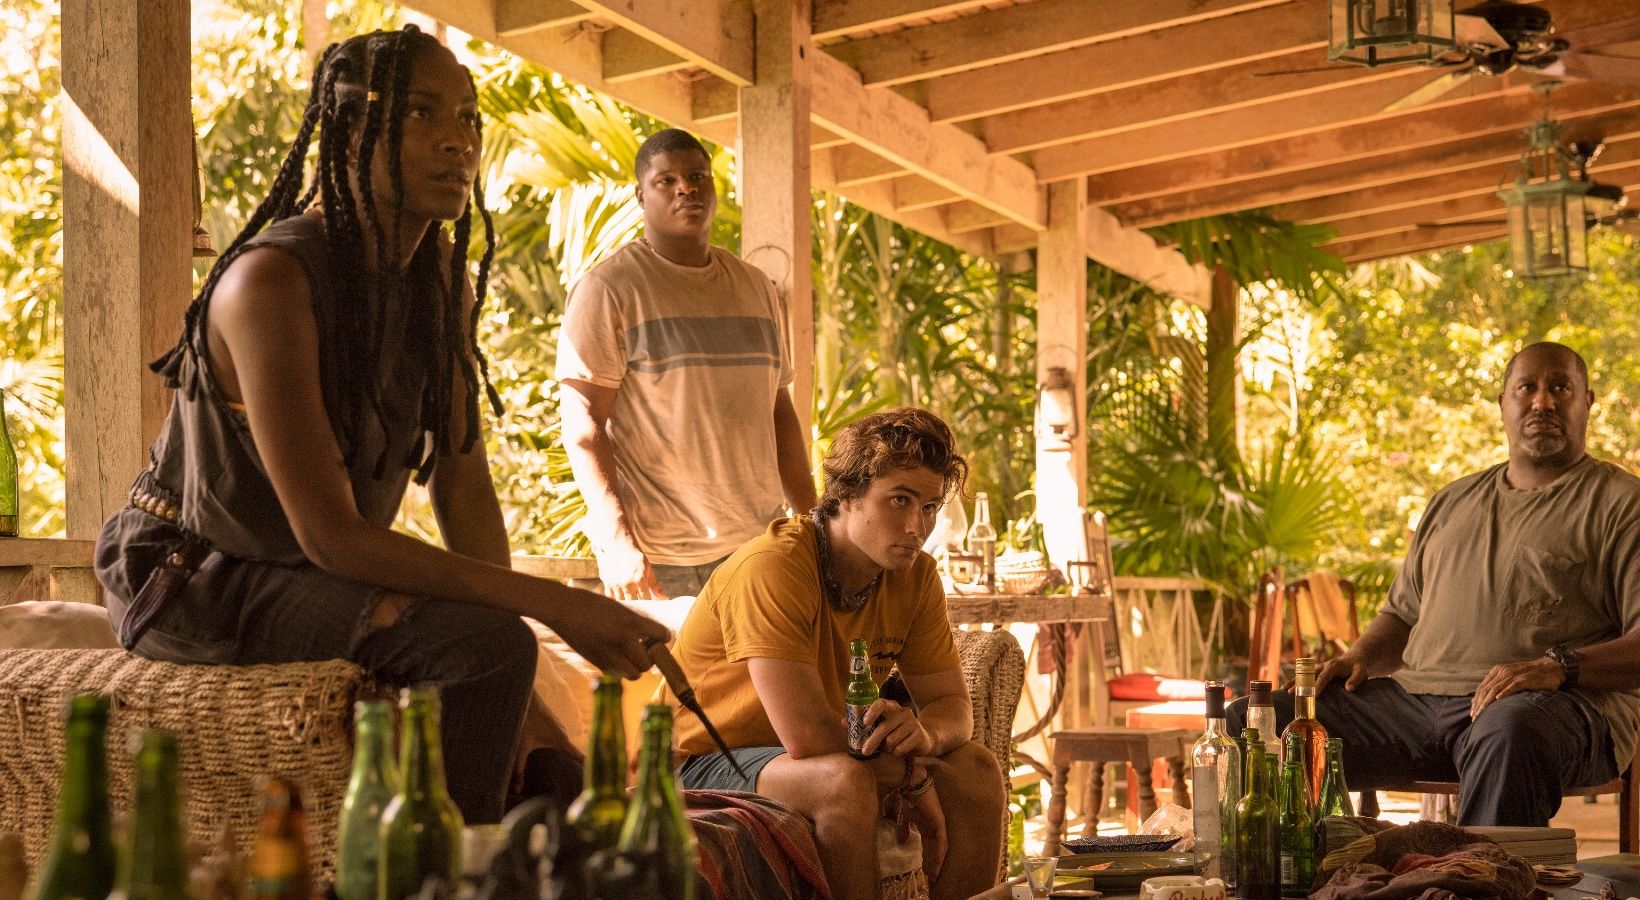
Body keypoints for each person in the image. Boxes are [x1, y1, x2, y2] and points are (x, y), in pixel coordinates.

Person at [92, 26, 668, 825]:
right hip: (195, 573)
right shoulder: (269, 282)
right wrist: (553, 606)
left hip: (307, 569)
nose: (458, 141)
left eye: (468, 117)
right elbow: (333, 536)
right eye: (422, 113)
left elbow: (463, 485)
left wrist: (521, 624)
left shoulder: (438, 284)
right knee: (481, 655)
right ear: (352, 130)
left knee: (552, 756)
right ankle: (446, 872)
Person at [1230, 342, 1640, 826]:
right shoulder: (1451, 503)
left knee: (1510, 731)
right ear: (1504, 403)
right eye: (1527, 388)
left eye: (1560, 388)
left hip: (1550, 711)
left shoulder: (1632, 509)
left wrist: (1558, 668)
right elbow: (1402, 616)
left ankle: (1477, 882)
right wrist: (1359, 657)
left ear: (1588, 402)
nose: (1543, 402)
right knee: (1257, 722)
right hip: (1413, 706)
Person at [667, 408, 1004, 900]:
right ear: (845, 495)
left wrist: (926, 733)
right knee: (842, 783)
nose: (917, 525)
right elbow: (810, 740)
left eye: (930, 507)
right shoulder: (775, 566)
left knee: (975, 769)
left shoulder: (916, 575)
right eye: (899, 500)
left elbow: (954, 706)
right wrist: (913, 777)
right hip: (699, 760)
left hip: (801, 758)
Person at [556, 128, 816, 601]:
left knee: (761, 679)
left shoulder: (755, 288)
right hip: (660, 558)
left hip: (759, 547)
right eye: (667, 180)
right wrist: (616, 541)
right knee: (668, 680)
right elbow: (583, 421)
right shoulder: (610, 288)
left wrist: (811, 519)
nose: (686, 189)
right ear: (640, 195)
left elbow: (778, 411)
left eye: (698, 177)